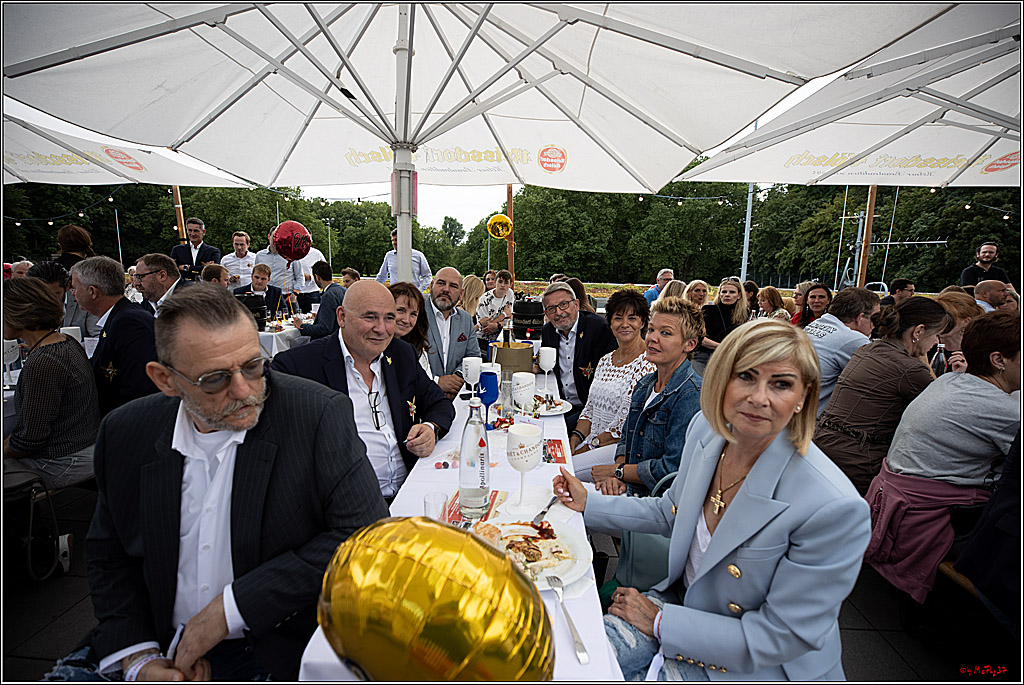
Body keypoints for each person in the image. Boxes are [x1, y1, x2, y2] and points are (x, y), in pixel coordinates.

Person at [60, 284, 390, 682]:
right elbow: (109, 554)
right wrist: (139, 658)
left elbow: (364, 537)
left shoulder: (315, 415)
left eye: (253, 366)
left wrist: (229, 610)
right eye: (214, 379)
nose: (244, 390)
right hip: (153, 638)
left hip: (270, 643)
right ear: (165, 379)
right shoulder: (125, 432)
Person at [552, 318, 869, 681]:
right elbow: (669, 511)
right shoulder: (707, 431)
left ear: (803, 397)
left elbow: (779, 638)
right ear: (721, 380)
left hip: (754, 663)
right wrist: (588, 503)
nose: (759, 398)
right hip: (683, 607)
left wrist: (658, 621)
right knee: (567, 664)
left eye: (781, 384)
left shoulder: (833, 507)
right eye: (746, 376)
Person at [865, 310, 1020, 604]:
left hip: (894, 504)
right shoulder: (1003, 410)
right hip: (934, 518)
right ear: (998, 360)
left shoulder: (948, 382)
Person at [272, 280, 454, 502]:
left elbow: (439, 403)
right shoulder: (298, 367)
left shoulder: (401, 354)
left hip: (411, 490)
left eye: (389, 318)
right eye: (370, 317)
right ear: (341, 317)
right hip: (347, 506)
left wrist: (430, 428)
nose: (381, 329)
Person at [814, 297, 952, 493]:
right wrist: (922, 357)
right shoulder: (910, 370)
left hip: (822, 445)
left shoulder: (868, 349)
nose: (936, 342)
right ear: (919, 331)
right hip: (859, 462)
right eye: (937, 335)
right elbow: (943, 411)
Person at [587, 296, 701, 497]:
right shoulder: (646, 384)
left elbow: (671, 469)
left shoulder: (691, 394)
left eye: (665, 333)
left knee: (564, 496)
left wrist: (618, 472)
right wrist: (619, 474)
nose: (652, 338)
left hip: (656, 501)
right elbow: (626, 439)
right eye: (651, 330)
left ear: (689, 344)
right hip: (629, 485)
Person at [3, 278, 99, 489]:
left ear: (18, 313)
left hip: (63, 461)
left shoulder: (45, 361)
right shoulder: (65, 342)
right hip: (82, 451)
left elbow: (29, 439)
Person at [567, 289, 655, 479]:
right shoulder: (606, 360)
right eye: (618, 318)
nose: (625, 324)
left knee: (564, 470)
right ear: (610, 322)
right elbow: (589, 409)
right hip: (593, 443)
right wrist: (575, 438)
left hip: (618, 449)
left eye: (632, 318)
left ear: (642, 322)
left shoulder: (647, 364)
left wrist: (588, 447)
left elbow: (624, 424)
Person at [70, 256, 158, 416]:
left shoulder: (128, 322)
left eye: (75, 288)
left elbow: (138, 388)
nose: (73, 293)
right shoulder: (120, 318)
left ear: (92, 291)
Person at [540, 282, 618, 428]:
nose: (558, 312)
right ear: (546, 313)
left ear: (576, 304)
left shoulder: (599, 329)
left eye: (563, 304)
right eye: (552, 308)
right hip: (558, 403)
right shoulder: (548, 331)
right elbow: (548, 364)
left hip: (589, 408)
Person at [803, 287, 879, 416]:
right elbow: (879, 381)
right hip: (809, 422)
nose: (876, 325)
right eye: (875, 319)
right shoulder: (853, 339)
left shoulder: (816, 323)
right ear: (860, 318)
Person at [424, 267, 481, 398]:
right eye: (441, 283)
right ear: (432, 286)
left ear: (461, 294)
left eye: (453, 286)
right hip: (421, 398)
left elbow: (474, 356)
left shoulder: (466, 319)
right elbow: (405, 362)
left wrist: (457, 378)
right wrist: (436, 381)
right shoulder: (415, 314)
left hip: (454, 397)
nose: (446, 289)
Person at [27, 260, 102, 337]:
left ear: (67, 286)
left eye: (53, 294)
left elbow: (98, 337)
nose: (46, 299)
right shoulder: (24, 305)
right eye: (39, 294)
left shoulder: (84, 302)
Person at [692, 277, 745, 377]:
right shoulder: (708, 310)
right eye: (724, 291)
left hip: (730, 358)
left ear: (739, 295)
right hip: (704, 356)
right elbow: (699, 337)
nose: (727, 295)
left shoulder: (743, 315)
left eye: (732, 292)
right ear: (719, 294)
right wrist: (721, 346)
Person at [933, 291, 984, 375]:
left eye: (949, 319)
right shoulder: (927, 345)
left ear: (966, 321)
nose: (941, 322)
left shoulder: (978, 349)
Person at [292, 261, 345, 339]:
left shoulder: (328, 295)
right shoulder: (342, 290)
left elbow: (324, 328)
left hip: (329, 342)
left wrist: (301, 326)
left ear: (317, 277)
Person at [389, 281, 432, 375]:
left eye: (413, 314)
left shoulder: (418, 348)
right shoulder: (373, 348)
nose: (406, 320)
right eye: (401, 310)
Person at [254, 225, 303, 300]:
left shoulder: (291, 255)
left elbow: (300, 276)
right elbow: (255, 275)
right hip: (267, 295)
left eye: (278, 237)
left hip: (286, 296)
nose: (275, 240)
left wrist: (295, 293)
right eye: (273, 237)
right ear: (268, 236)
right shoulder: (260, 255)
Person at [135, 253, 191, 317]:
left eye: (140, 277)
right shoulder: (147, 303)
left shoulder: (194, 300)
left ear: (162, 275)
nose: (137, 283)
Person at [170, 217, 221, 282]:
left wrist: (186, 267)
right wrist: (201, 268)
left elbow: (213, 271)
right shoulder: (177, 250)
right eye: (190, 230)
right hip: (183, 288)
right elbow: (172, 270)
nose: (192, 234)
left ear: (203, 232)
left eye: (196, 231)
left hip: (204, 288)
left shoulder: (213, 251)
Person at [475, 269, 514, 353]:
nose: (502, 285)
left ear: (511, 285)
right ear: (495, 282)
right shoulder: (484, 299)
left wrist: (497, 324)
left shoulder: (510, 294)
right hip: (483, 341)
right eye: (500, 282)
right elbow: (485, 326)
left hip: (502, 338)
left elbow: (511, 319)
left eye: (506, 283)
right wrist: (503, 315)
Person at [295, 244, 328, 313]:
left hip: (312, 293)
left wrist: (310, 277)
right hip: (293, 294)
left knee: (313, 319)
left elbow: (325, 271)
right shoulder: (289, 252)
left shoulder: (316, 254)